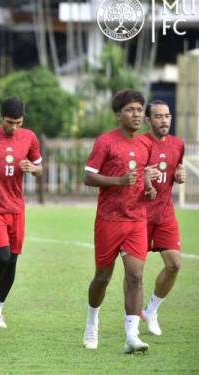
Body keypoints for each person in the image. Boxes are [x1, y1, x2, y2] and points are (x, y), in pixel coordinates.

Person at [82, 89, 158, 354]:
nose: (136, 115)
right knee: (102, 277)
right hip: (109, 219)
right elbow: (88, 177)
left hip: (137, 218)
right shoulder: (105, 142)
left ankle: (132, 336)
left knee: (136, 276)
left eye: (139, 110)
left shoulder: (146, 144)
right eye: (130, 110)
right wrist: (117, 181)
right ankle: (92, 321)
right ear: (118, 114)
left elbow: (142, 172)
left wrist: (148, 185)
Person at [0, 97, 42, 328]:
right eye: (10, 122)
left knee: (12, 261)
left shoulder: (29, 137)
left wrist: (33, 169)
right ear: (0, 117)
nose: (14, 127)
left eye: (18, 122)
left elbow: (39, 168)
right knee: (2, 256)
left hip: (16, 207)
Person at [140, 100, 185, 336]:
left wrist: (179, 175)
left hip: (165, 214)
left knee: (174, 264)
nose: (164, 120)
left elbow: (175, 171)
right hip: (138, 215)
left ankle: (151, 310)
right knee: (135, 272)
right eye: (158, 116)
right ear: (148, 120)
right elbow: (129, 178)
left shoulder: (178, 144)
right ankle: (131, 317)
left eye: (167, 115)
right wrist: (145, 180)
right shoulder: (139, 144)